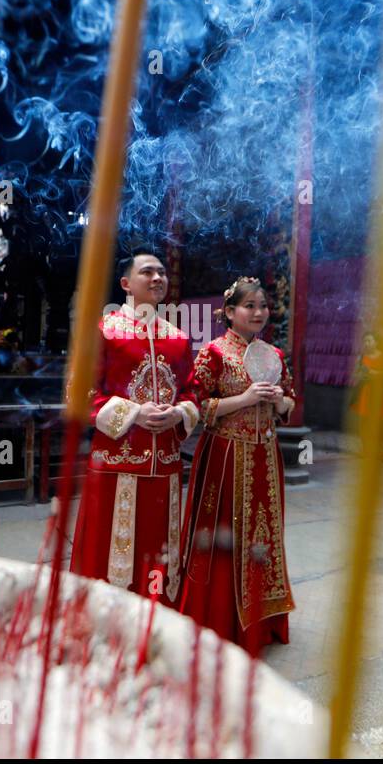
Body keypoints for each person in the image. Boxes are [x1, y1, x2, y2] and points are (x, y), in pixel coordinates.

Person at [69, 251, 199, 603]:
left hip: (166, 467)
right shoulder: (103, 332)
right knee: (107, 553)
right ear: (126, 284)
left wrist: (179, 413)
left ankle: (157, 623)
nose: (158, 278)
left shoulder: (178, 338)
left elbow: (192, 391)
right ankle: (100, 627)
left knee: (157, 552)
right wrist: (134, 413)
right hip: (116, 464)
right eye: (147, 272)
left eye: (161, 272)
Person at [176, 276, 295, 652]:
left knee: (262, 538)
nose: (259, 312)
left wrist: (278, 401)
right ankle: (219, 619)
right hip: (225, 458)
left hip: (265, 457)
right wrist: (244, 399)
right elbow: (196, 407)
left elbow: (290, 404)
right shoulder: (213, 352)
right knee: (226, 538)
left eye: (263, 306)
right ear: (229, 312)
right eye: (250, 306)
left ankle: (262, 620)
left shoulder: (273, 355)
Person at [351, 331, 383, 463]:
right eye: (365, 341)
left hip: (379, 393)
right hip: (365, 392)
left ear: (376, 342)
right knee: (363, 422)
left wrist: (378, 373)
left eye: (369, 341)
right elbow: (355, 375)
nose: (366, 344)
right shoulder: (362, 357)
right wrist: (361, 374)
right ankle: (365, 449)